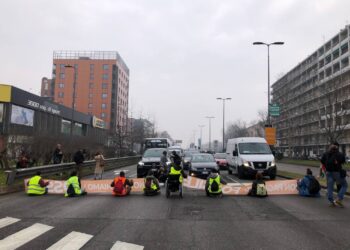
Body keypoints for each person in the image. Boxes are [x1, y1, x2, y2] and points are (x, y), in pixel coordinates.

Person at [321, 142, 348, 207]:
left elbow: (322, 161)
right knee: (344, 185)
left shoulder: (326, 153)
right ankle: (339, 198)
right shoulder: (339, 154)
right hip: (337, 172)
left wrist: (326, 166)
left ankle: (331, 200)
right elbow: (343, 161)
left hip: (328, 172)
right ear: (337, 147)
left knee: (330, 187)